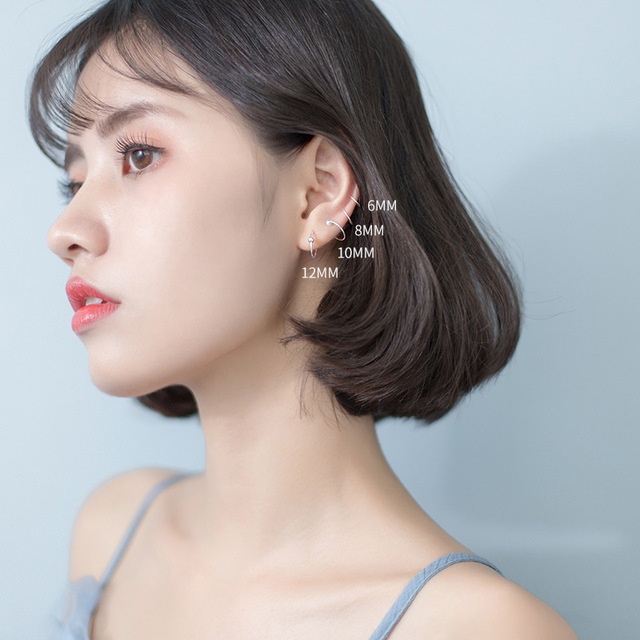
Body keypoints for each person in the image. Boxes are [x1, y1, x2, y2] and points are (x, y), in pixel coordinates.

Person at [29, 0, 578, 637]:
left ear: (318, 192)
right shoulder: (115, 530)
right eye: (75, 182)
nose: (64, 231)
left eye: (140, 155)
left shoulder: (476, 628)